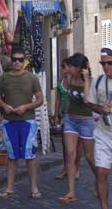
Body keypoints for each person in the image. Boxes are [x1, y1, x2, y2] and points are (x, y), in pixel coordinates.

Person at [0, 47, 44, 199]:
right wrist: (4, 106)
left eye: (20, 60)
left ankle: (34, 188)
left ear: (24, 61)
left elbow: (40, 99)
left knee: (30, 155)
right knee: (11, 156)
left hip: (27, 121)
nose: (17, 62)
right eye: (14, 59)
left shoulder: (32, 78)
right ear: (11, 60)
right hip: (9, 121)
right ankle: (9, 188)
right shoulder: (4, 77)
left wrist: (26, 107)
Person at [60, 53, 96, 204]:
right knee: (70, 154)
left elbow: (87, 100)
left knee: (89, 156)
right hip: (71, 120)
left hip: (86, 122)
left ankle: (99, 178)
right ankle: (71, 191)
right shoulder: (68, 78)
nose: (71, 69)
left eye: (74, 67)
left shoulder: (91, 81)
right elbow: (68, 98)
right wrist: (64, 116)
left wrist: (87, 79)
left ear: (81, 68)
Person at [84, 47, 112, 209]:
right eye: (103, 64)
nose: (106, 67)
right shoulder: (98, 82)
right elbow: (91, 104)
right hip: (103, 132)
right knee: (101, 172)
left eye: (109, 63)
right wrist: (101, 109)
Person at [54, 59, 82, 180]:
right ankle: (65, 167)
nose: (63, 69)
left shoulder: (75, 82)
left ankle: (76, 167)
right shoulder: (60, 83)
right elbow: (58, 99)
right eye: (62, 67)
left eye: (64, 67)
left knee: (77, 145)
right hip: (64, 115)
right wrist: (56, 115)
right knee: (65, 145)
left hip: (76, 115)